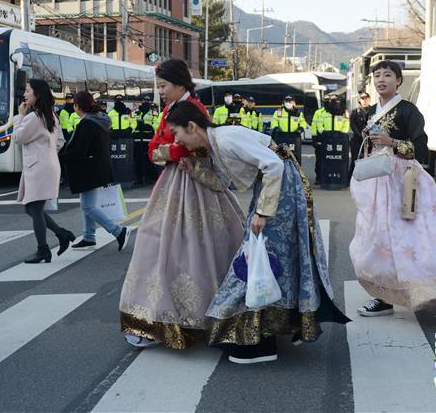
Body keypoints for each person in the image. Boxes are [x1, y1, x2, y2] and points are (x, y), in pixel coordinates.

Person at [165, 101, 349, 364]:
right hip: (274, 189)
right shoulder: (215, 146)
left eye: (177, 132)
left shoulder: (226, 139)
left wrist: (263, 213)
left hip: (281, 188)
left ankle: (260, 339)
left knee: (260, 258)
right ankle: (274, 330)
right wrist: (195, 171)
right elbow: (222, 184)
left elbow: (273, 165)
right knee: (274, 259)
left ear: (191, 126)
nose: (177, 139)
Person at [119, 59, 246, 350]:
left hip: (194, 184)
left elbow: (190, 148)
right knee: (162, 247)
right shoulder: (171, 109)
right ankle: (156, 317)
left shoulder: (195, 110)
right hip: (174, 183)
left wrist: (167, 152)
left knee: (186, 251)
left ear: (179, 84)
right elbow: (156, 148)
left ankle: (182, 318)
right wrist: (166, 152)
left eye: (163, 86)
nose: (160, 91)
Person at [349, 61, 436, 317]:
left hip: (404, 184)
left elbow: (421, 149)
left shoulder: (408, 111)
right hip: (377, 184)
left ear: (399, 80)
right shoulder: (368, 113)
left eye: (387, 75)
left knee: (412, 240)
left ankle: (432, 288)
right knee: (377, 241)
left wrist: (392, 142)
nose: (381, 80)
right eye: (377, 75)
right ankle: (384, 296)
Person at [14, 79, 75, 264]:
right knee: (31, 208)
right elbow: (60, 141)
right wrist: (47, 153)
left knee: (34, 208)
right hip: (47, 164)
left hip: (38, 166)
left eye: (27, 90)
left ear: (37, 94)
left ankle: (43, 249)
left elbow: (18, 137)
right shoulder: (51, 115)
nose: (25, 94)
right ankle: (61, 234)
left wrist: (20, 116)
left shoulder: (33, 117)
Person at [59, 91, 127, 251]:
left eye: (74, 104)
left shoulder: (87, 123)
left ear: (77, 106)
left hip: (90, 169)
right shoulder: (99, 120)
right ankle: (89, 237)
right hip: (96, 167)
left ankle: (118, 231)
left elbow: (80, 150)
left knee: (88, 206)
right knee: (87, 204)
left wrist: (60, 156)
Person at [270, 96, 308, 163]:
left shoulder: (298, 112)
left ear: (293, 103)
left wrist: (300, 129)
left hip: (294, 137)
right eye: (286, 101)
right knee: (281, 157)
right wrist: (276, 128)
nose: (288, 103)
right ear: (283, 102)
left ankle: (297, 172)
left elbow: (303, 122)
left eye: (290, 101)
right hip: (281, 136)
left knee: (295, 158)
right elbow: (274, 121)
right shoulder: (279, 111)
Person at [349, 92, 372, 179]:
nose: (365, 100)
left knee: (369, 160)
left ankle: (367, 179)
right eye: (363, 99)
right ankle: (351, 178)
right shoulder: (355, 112)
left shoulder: (373, 110)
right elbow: (352, 125)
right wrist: (360, 134)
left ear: (369, 99)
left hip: (370, 139)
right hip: (357, 140)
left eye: (366, 98)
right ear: (359, 100)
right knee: (355, 160)